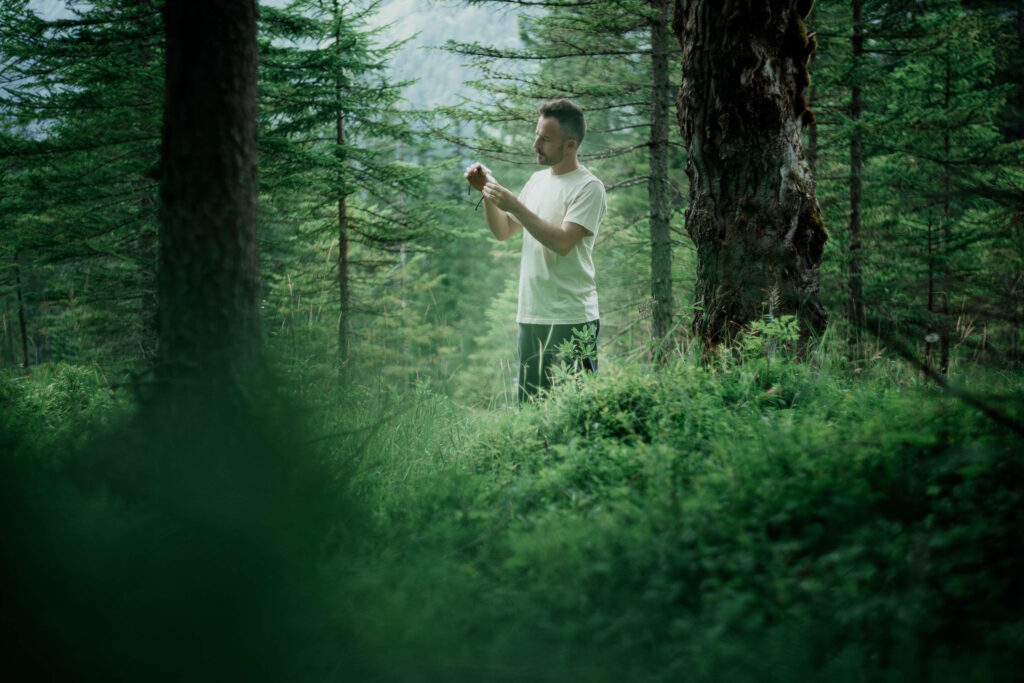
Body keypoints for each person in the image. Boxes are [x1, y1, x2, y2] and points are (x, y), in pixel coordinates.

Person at [465, 98, 607, 404]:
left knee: (576, 412)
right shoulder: (537, 181)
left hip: (572, 318)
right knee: (531, 412)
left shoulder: (589, 187)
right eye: (536, 135)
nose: (536, 144)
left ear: (570, 145)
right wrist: (488, 191)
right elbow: (503, 231)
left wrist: (514, 203)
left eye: (545, 139)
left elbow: (563, 243)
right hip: (531, 315)